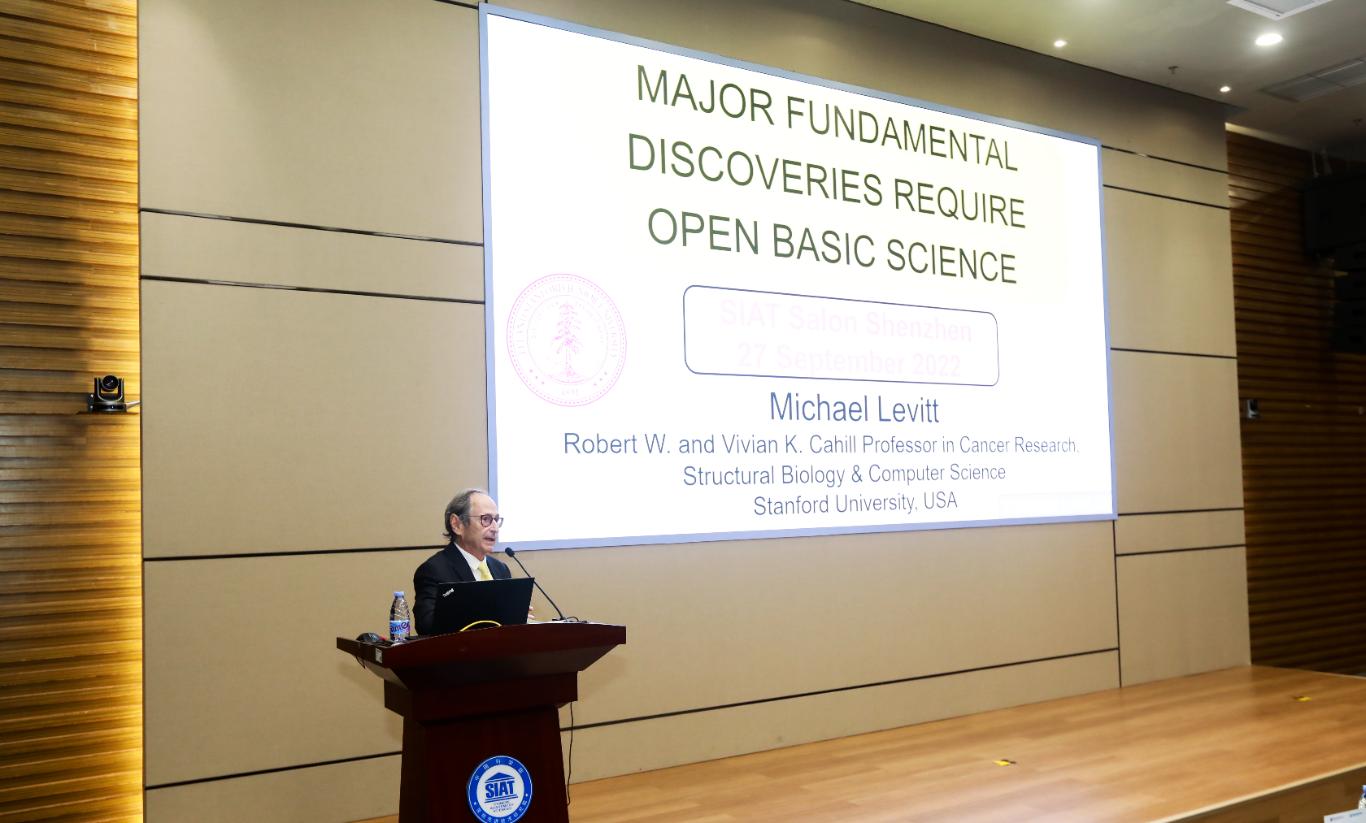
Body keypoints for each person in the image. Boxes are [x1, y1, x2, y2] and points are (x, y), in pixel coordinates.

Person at [413, 488, 511, 635]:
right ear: (457, 524)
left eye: (496, 520)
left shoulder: (500, 569)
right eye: (486, 519)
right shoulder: (434, 571)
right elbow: (426, 625)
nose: (495, 528)